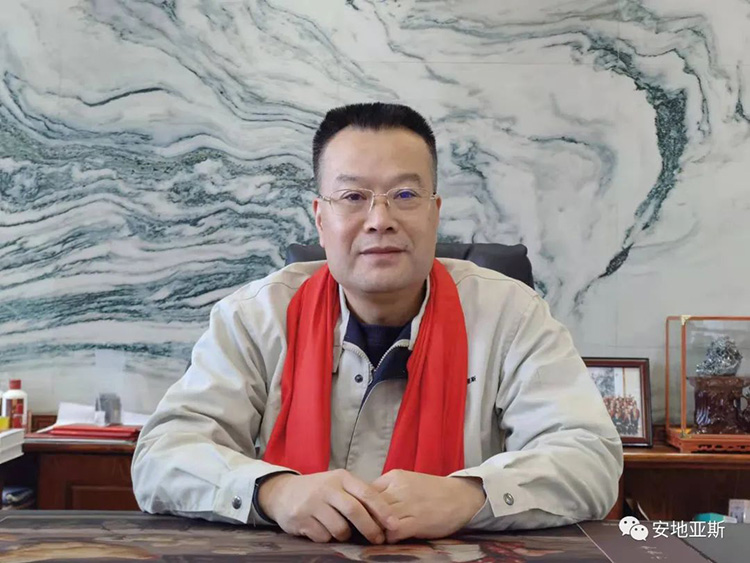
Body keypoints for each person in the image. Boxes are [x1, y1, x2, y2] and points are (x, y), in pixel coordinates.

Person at [132, 102, 623, 545]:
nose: (379, 219)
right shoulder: (256, 316)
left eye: (404, 194)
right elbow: (162, 454)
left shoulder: (511, 315)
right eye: (353, 196)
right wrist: (273, 492)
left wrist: (469, 496)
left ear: (435, 213)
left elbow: (590, 458)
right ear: (320, 218)